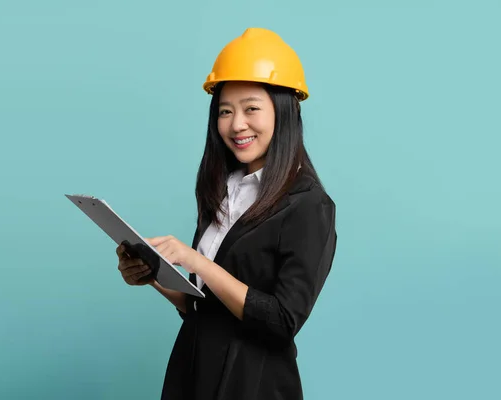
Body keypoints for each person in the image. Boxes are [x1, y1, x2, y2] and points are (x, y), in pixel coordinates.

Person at [116, 27, 337, 400]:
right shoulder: (221, 190)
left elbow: (282, 321)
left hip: (252, 384)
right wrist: (152, 276)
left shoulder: (309, 205)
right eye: (225, 111)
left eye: (251, 108)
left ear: (285, 111)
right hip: (194, 370)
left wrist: (196, 262)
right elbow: (203, 306)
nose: (237, 124)